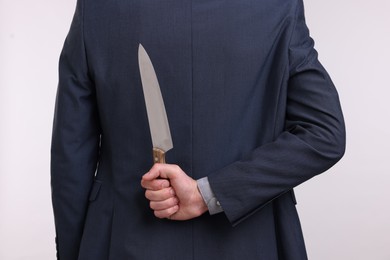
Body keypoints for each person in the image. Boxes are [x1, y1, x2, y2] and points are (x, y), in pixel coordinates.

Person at [51, 0, 346, 259]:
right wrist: (213, 193)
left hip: (124, 242)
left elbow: (71, 157)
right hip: (253, 242)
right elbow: (324, 133)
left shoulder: (99, 8)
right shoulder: (276, 5)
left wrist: (73, 251)